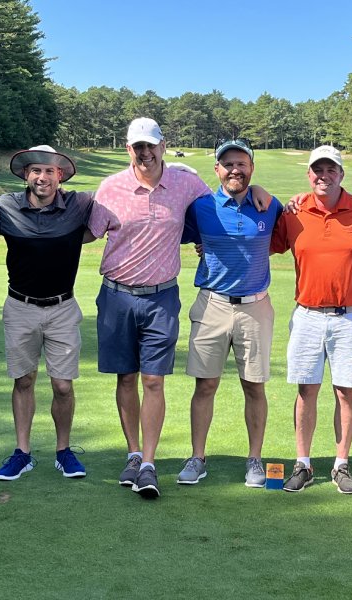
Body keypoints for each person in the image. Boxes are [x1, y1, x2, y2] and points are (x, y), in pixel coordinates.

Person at [87, 118, 270, 499]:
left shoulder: (186, 183)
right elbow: (85, 231)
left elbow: (224, 196)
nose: (145, 152)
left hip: (161, 296)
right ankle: (133, 454)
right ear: (128, 149)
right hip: (116, 294)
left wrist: (258, 190)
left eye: (151, 145)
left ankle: (150, 463)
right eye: (138, 146)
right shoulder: (110, 187)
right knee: (126, 378)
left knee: (154, 380)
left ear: (163, 145)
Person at [0, 145, 93, 481]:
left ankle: (63, 451)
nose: (43, 177)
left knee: (62, 386)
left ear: (60, 176)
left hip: (63, 308)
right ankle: (22, 452)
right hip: (20, 307)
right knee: (24, 379)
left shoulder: (80, 204)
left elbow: (116, 211)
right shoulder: (5, 206)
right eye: (36, 171)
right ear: (26, 175)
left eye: (50, 171)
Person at [271, 145, 352, 493]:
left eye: (331, 170)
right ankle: (303, 464)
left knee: (345, 391)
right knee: (307, 390)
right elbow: (263, 243)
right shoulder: (294, 212)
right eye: (317, 170)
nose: (323, 175)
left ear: (341, 175)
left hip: (350, 316)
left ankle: (341, 464)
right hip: (307, 315)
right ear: (309, 175)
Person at [176, 138, 283, 488]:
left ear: (251, 168)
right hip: (212, 304)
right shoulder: (201, 207)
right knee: (205, 385)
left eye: (242, 163)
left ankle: (254, 459)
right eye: (228, 164)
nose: (235, 169)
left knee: (254, 386)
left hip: (255, 307)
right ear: (217, 169)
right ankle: (197, 457)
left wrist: (263, 191)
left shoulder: (270, 205)